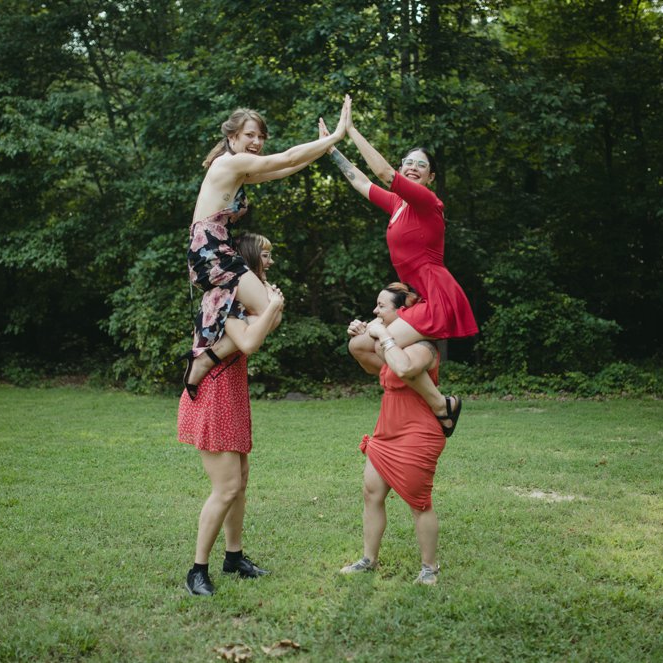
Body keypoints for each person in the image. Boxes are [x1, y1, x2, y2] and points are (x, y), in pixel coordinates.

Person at [321, 116, 479, 436]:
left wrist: (351, 130)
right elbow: (361, 182)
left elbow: (382, 173)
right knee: (359, 346)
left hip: (436, 293)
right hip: (414, 296)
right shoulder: (397, 205)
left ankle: (439, 405)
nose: (412, 167)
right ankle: (420, 390)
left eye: (420, 165)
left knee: (382, 343)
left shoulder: (427, 202)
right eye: (408, 162)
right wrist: (331, 149)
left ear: (430, 176)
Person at [184, 98, 351, 398]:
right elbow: (284, 158)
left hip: (215, 249)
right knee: (267, 309)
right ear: (232, 136)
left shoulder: (239, 168)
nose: (257, 142)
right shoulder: (230, 162)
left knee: (273, 314)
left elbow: (283, 168)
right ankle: (203, 361)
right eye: (250, 135)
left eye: (261, 137)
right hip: (211, 251)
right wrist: (336, 135)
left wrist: (322, 147)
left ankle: (208, 357)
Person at [181, 233, 285, 596]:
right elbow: (250, 343)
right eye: (265, 255)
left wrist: (269, 306)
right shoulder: (224, 297)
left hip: (231, 391)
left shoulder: (243, 300)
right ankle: (196, 571)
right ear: (247, 259)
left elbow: (262, 328)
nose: (269, 261)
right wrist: (272, 305)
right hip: (214, 394)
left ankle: (234, 557)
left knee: (240, 482)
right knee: (225, 488)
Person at [340, 283, 447, 585]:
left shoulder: (423, 348)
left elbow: (402, 369)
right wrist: (362, 331)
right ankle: (368, 560)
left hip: (418, 431)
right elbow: (359, 352)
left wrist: (384, 335)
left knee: (419, 502)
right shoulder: (387, 346)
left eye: (381, 306)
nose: (375, 311)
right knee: (372, 493)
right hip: (387, 429)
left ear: (403, 313)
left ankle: (429, 568)